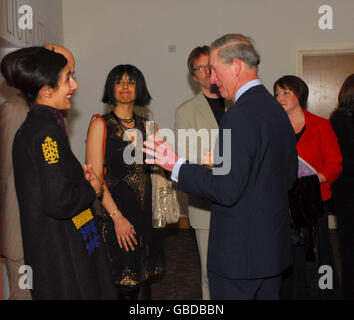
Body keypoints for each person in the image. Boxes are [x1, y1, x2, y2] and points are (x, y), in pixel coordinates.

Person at [144, 33, 298, 300]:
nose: (212, 79)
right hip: (270, 252)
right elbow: (288, 177)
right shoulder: (276, 111)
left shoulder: (236, 116)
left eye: (215, 70)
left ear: (236, 66)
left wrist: (175, 164)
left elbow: (226, 190)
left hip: (239, 257)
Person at [1, 46, 117, 299]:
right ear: (46, 90)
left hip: (57, 251)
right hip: (61, 257)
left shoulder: (37, 124)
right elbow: (59, 201)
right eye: (67, 79)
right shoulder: (46, 131)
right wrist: (92, 188)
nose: (74, 86)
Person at [0, 43, 77, 300]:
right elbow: (6, 175)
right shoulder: (14, 109)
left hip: (48, 231)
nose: (72, 84)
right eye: (67, 75)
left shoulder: (53, 114)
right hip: (21, 231)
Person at [86, 64, 164, 300]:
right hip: (117, 214)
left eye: (131, 82)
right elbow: (95, 180)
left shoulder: (149, 126)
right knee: (125, 284)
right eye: (119, 82)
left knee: (145, 282)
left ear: (139, 87)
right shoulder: (101, 124)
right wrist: (117, 217)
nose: (125, 87)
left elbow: (156, 172)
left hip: (147, 216)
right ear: (111, 87)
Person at [273, 75, 342, 299]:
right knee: (287, 254)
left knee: (318, 254)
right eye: (277, 94)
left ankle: (321, 294)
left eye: (286, 93)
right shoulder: (274, 129)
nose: (280, 98)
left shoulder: (321, 125)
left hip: (313, 201)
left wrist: (311, 179)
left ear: (299, 95)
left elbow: (335, 164)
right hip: (283, 202)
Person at [174, 45, 225, 300]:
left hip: (243, 202)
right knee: (210, 271)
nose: (206, 72)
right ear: (194, 77)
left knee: (242, 268)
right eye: (199, 68)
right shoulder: (186, 111)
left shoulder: (238, 103)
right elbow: (188, 161)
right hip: (206, 203)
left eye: (209, 65)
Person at [330, 74, 354, 299]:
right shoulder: (339, 121)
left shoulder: (336, 120)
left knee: (347, 247)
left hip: (344, 191)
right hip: (347, 191)